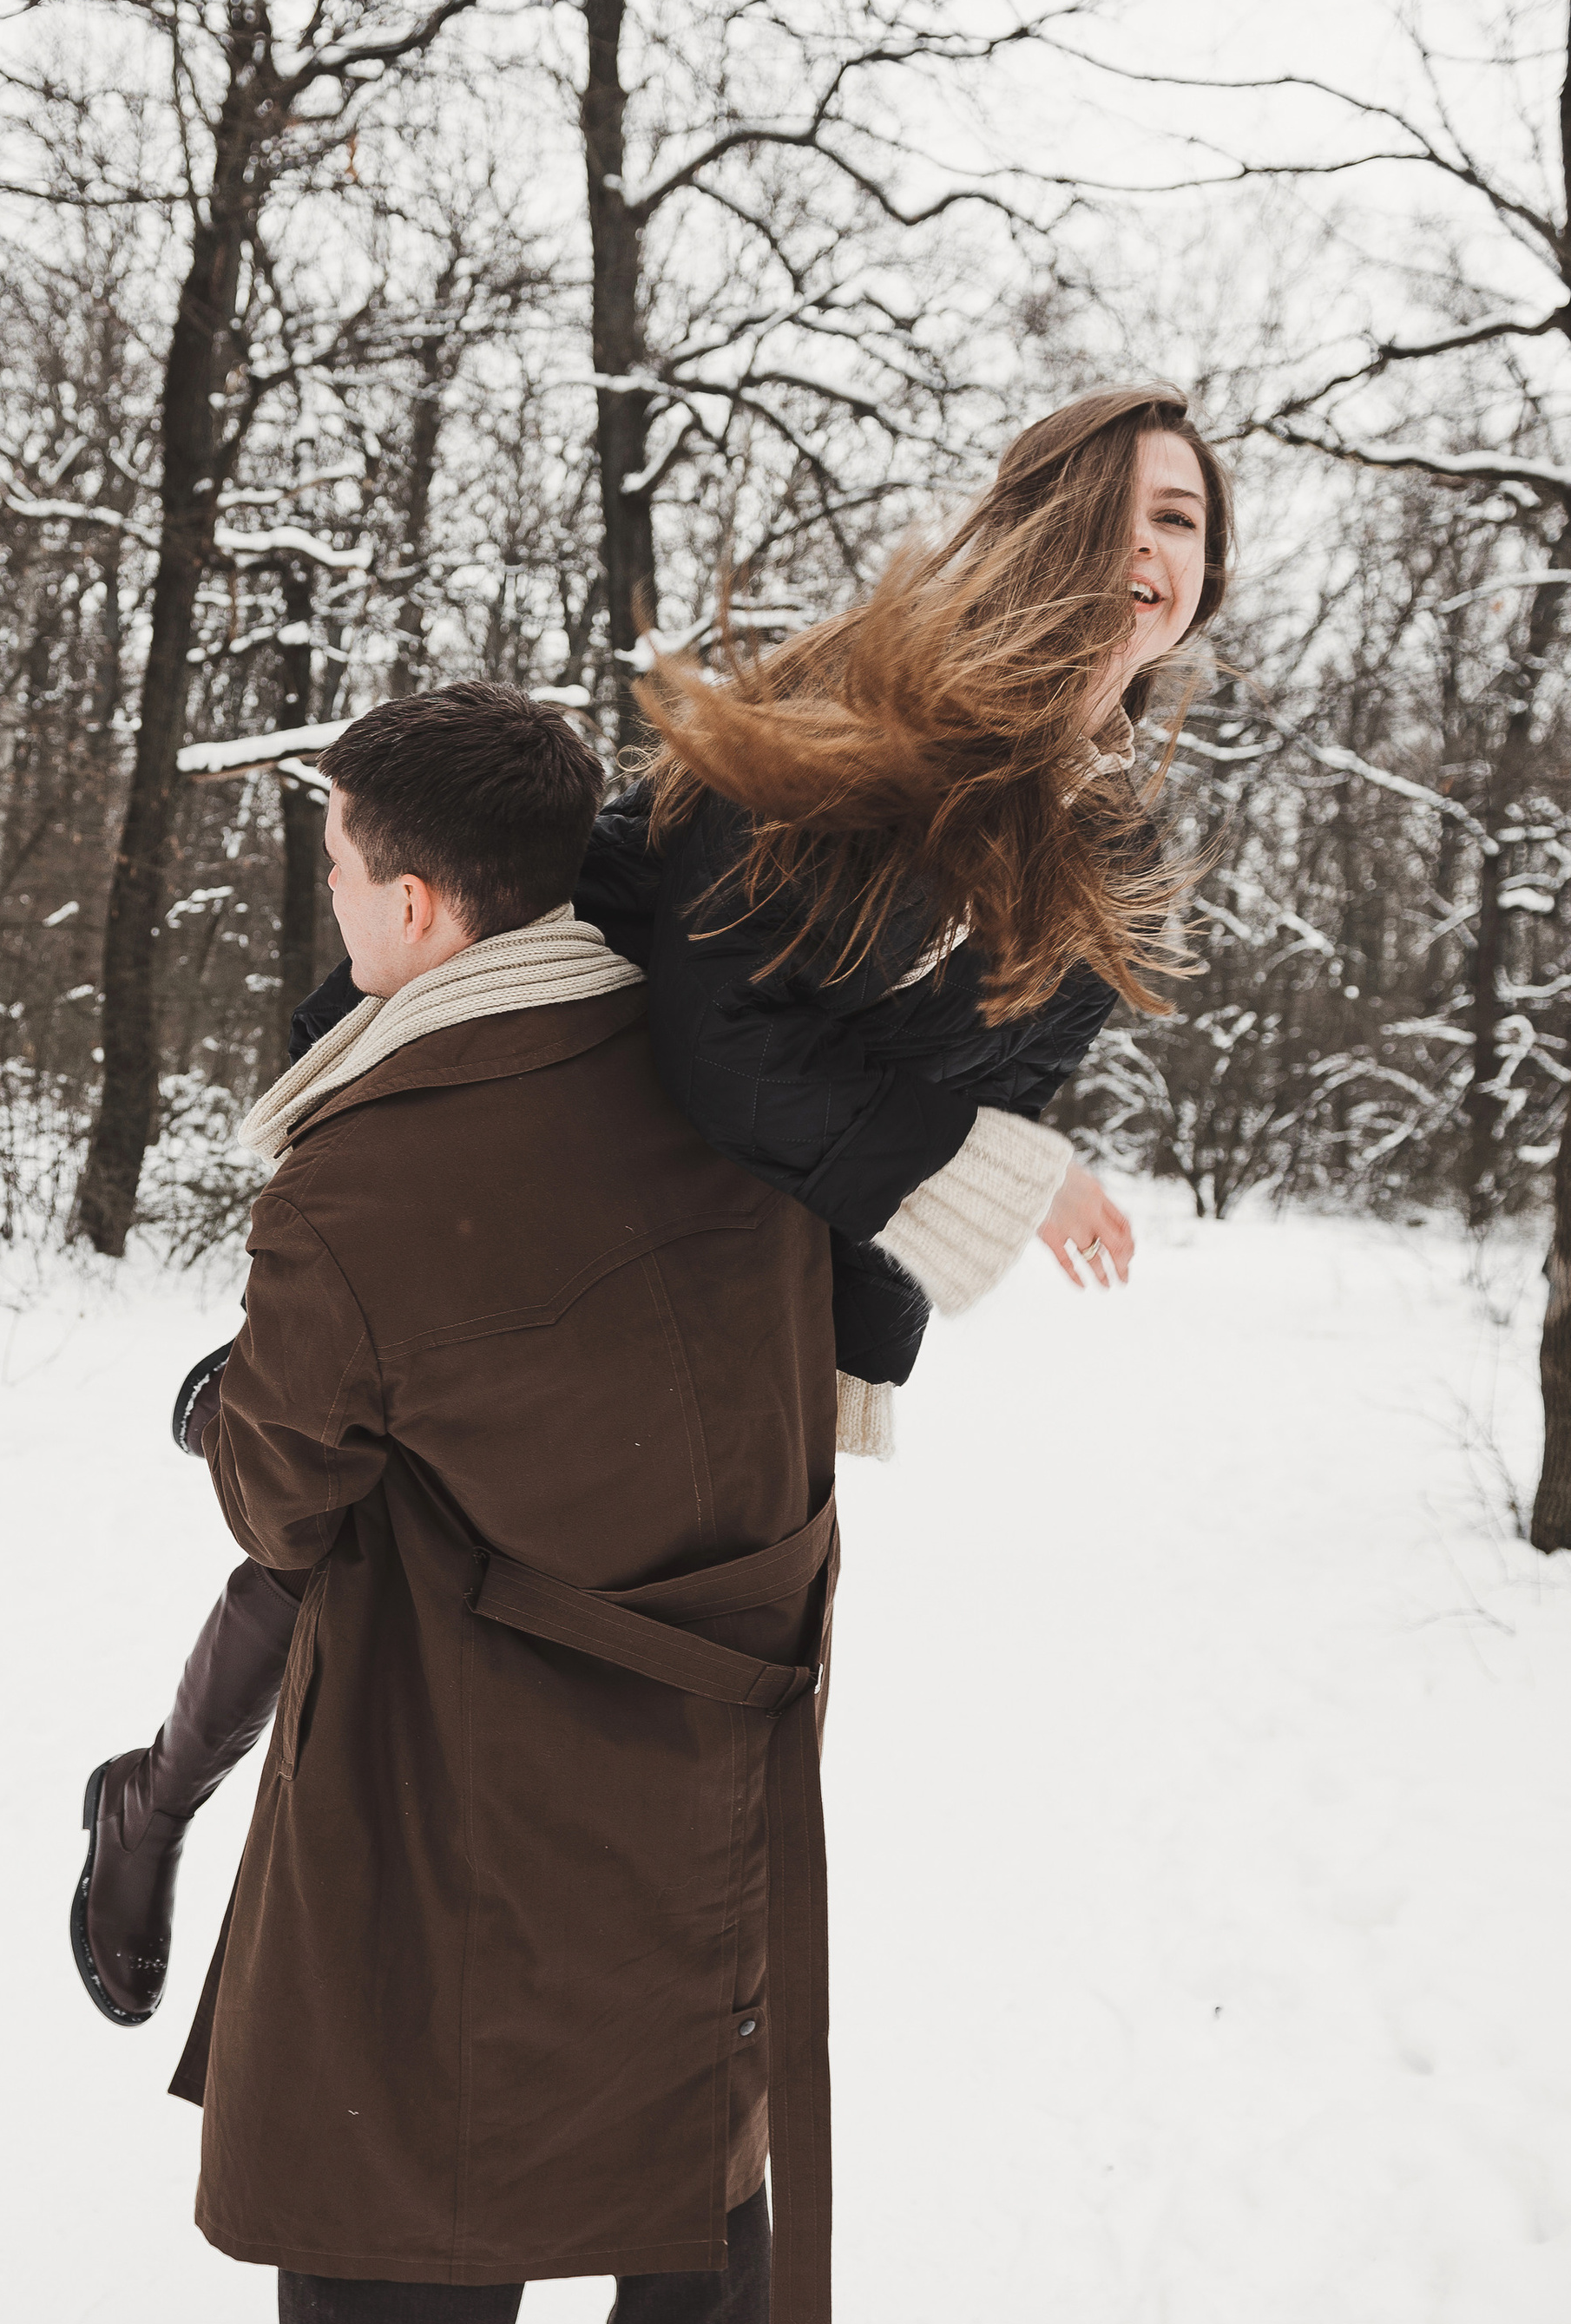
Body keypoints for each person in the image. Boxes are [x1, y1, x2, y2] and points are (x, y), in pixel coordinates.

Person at [73, 382, 1232, 2034]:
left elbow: (986, 1099)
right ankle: (169, 1792)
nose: (1147, 551)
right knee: (358, 1511)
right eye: (1114, 509)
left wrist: (841, 1360)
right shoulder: (878, 696)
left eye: (1181, 522)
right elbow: (722, 1030)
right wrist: (1001, 1181)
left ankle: (232, 1642)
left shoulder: (1108, 841)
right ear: (1031, 527)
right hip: (574, 1086)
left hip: (734, 1198)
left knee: (581, 1591)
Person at [125, 678, 841, 2324]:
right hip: (719, 1697)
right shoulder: (718, 1053)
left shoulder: (377, 1154)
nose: (328, 902)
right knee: (687, 2144)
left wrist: (206, 1401)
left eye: (338, 866)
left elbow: (281, 1494)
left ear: (418, 902)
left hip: (468, 1728)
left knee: (382, 2162)